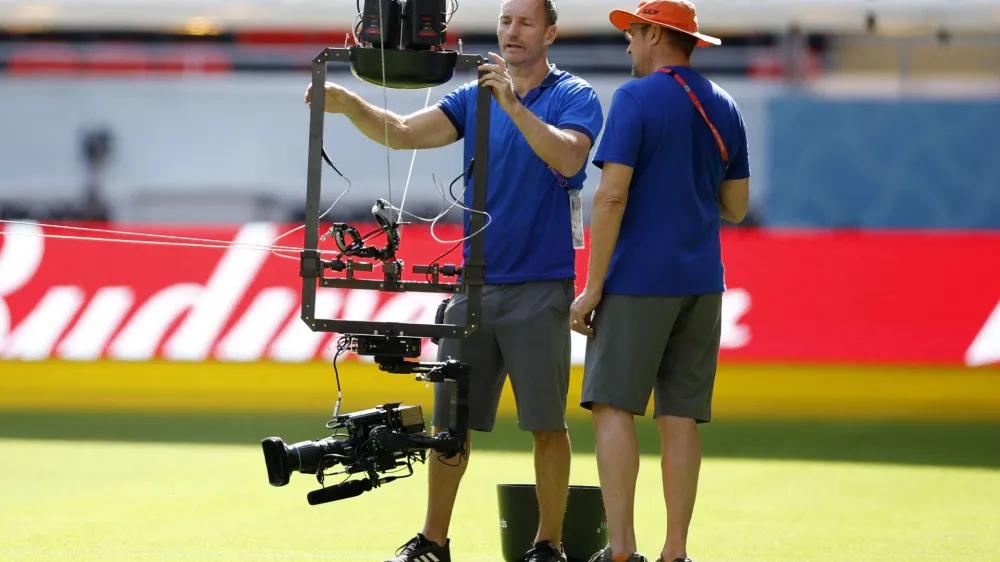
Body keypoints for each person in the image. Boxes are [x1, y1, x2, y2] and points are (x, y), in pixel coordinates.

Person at [304, 1, 604, 561]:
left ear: (551, 33)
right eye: (506, 22)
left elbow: (567, 159)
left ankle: (548, 545)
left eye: (526, 23)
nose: (512, 32)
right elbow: (399, 132)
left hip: (540, 285)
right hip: (473, 284)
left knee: (546, 424)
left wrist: (511, 104)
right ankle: (433, 542)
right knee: (449, 425)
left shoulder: (574, 96)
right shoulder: (474, 97)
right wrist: (346, 103)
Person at [567, 1, 751, 562]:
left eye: (632, 33)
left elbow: (611, 195)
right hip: (702, 281)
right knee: (680, 418)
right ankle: (676, 552)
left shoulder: (633, 98)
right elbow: (736, 207)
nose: (627, 45)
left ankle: (621, 549)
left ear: (654, 34)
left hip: (637, 281)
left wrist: (593, 286)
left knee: (614, 408)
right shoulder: (726, 105)